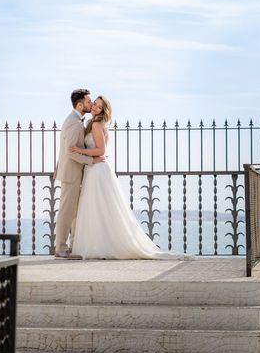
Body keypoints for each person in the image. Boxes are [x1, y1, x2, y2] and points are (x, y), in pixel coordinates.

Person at [70, 96, 193, 260]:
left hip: (98, 170)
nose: (94, 108)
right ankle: (100, 243)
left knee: (101, 208)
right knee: (97, 209)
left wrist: (80, 151)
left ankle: (101, 246)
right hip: (94, 169)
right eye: (94, 104)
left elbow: (101, 150)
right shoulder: (91, 124)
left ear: (103, 111)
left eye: (99, 107)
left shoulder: (97, 124)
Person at [53, 89, 105, 259]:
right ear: (80, 104)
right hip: (72, 173)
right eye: (89, 102)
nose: (91, 105)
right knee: (67, 212)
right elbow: (72, 153)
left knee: (74, 212)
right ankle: (61, 248)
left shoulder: (76, 120)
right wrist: (92, 161)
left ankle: (72, 246)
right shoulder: (74, 123)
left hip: (76, 173)